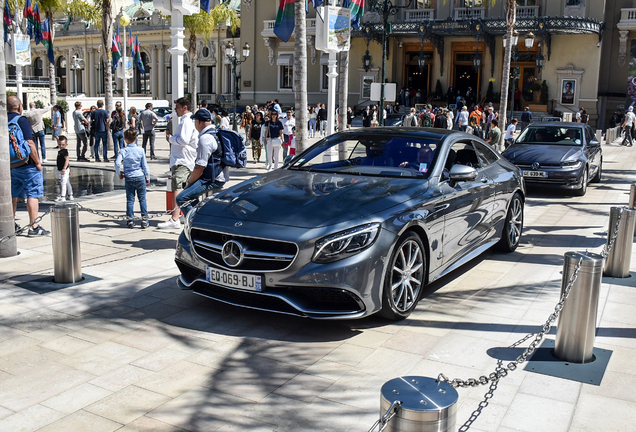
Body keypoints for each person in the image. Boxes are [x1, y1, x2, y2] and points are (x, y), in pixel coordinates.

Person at [8, 96, 50, 236]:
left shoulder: (3, 121)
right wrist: (37, 162)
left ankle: (11, 225)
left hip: (11, 165)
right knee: (32, 193)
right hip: (27, 164)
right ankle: (34, 227)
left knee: (12, 195)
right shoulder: (21, 120)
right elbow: (30, 143)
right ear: (20, 106)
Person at [177, 109, 228, 216]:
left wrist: (189, 183)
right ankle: (200, 215)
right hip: (220, 175)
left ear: (198, 122)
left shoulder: (205, 138)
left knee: (181, 198)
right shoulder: (216, 132)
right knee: (191, 196)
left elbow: (200, 167)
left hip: (212, 179)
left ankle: (195, 221)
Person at [159, 97, 198, 229]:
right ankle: (182, 215)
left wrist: (171, 139)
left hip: (182, 160)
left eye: (177, 107)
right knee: (184, 188)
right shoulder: (188, 120)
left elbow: (184, 140)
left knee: (177, 188)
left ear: (184, 107)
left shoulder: (187, 121)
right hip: (185, 159)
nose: (175, 110)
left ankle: (175, 218)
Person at [115, 128, 150, 229]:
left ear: (125, 139)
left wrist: (119, 173)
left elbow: (117, 163)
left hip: (129, 177)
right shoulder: (141, 150)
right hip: (139, 176)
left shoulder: (123, 151)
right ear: (136, 138)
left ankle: (130, 220)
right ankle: (144, 220)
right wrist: (147, 176)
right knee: (142, 199)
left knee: (130, 200)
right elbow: (144, 165)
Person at [55, 136, 73, 202]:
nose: (61, 146)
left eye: (63, 145)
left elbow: (67, 160)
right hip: (63, 169)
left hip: (64, 169)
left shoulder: (65, 151)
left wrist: (64, 168)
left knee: (63, 182)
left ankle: (63, 196)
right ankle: (70, 194)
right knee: (67, 182)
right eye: (59, 144)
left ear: (66, 145)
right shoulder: (60, 151)